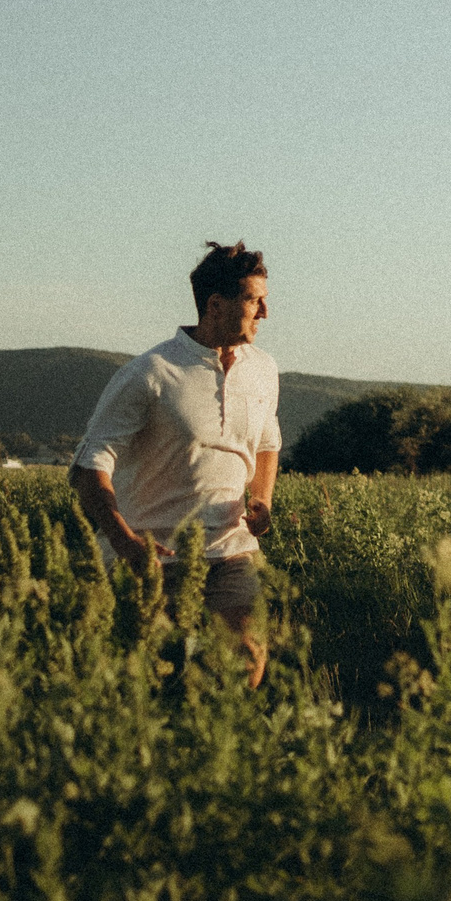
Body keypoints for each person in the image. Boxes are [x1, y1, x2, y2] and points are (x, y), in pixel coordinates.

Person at [71, 241, 283, 685]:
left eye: (265, 299)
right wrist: (125, 541)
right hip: (153, 555)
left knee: (245, 663)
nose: (264, 312)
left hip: (230, 548)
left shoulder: (264, 370)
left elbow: (267, 442)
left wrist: (261, 500)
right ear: (215, 304)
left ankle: (218, 748)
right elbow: (89, 466)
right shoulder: (151, 373)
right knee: (159, 677)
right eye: (253, 300)